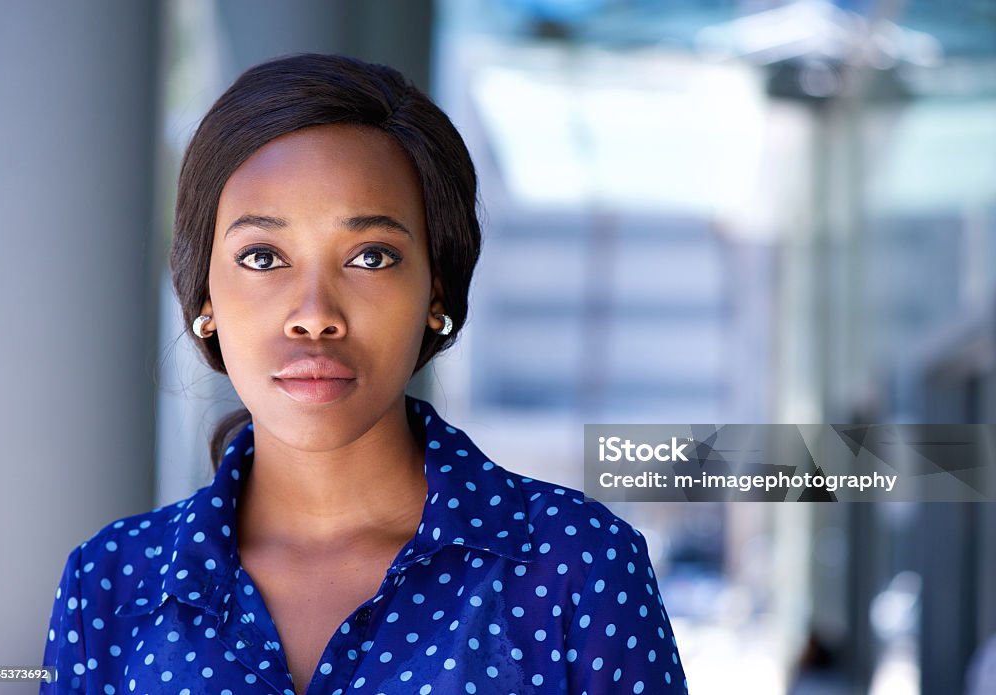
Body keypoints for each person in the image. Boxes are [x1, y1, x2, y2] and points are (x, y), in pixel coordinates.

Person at [41, 53, 688, 695]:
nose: (315, 315)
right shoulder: (109, 584)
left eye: (371, 256)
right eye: (263, 256)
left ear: (437, 289)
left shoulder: (579, 567)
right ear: (203, 295)